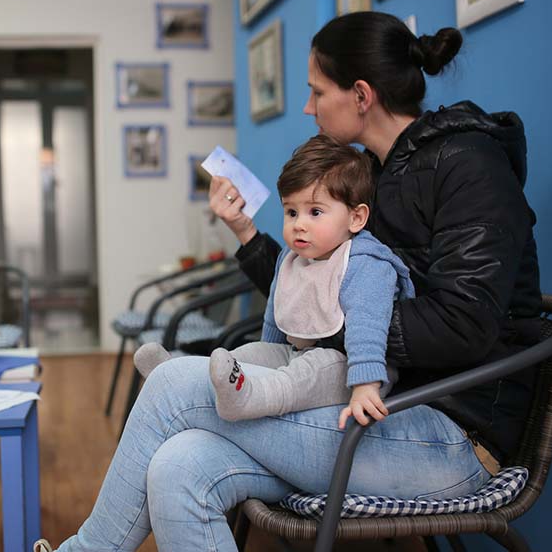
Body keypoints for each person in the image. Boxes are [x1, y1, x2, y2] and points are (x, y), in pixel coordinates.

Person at [33, 11, 541, 552]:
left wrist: (334, 326)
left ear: (361, 95)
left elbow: (462, 324)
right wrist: (246, 232)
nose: (307, 107)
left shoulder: (468, 166)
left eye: (316, 91)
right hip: (368, 406)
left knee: (171, 387)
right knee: (176, 467)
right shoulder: (378, 171)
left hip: (451, 433)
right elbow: (321, 287)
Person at [133, 135, 415, 427]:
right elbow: (275, 315)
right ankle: (176, 377)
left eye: (315, 212)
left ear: (356, 218)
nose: (299, 224)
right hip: (299, 354)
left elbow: (367, 326)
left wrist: (366, 385)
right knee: (245, 354)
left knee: (312, 368)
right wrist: (265, 358)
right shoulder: (291, 258)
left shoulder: (366, 262)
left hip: (351, 369)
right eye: (291, 212)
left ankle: (247, 399)